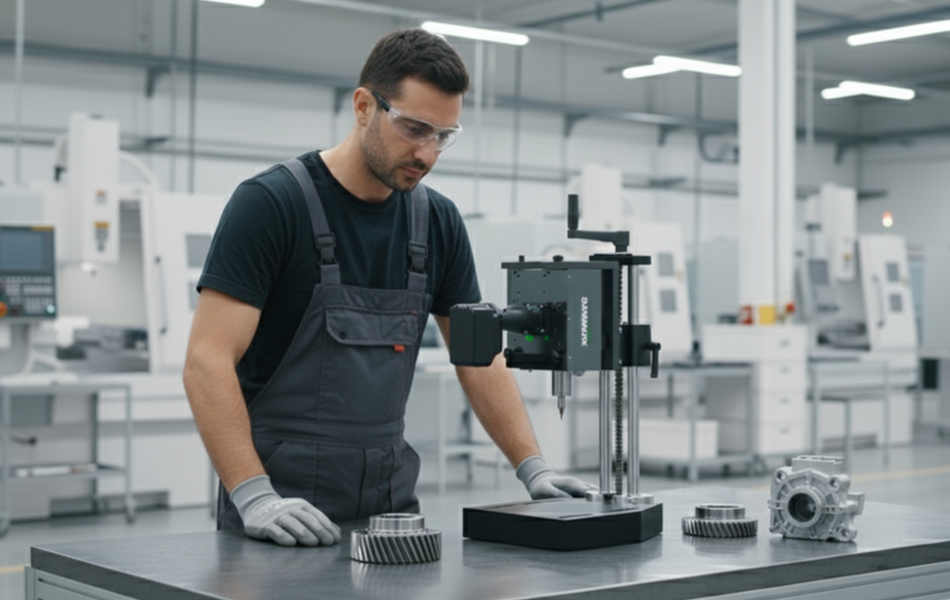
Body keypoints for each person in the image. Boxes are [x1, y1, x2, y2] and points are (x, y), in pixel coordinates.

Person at [183, 27, 593, 548]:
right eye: (414, 128)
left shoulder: (437, 221)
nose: (427, 152)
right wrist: (253, 494)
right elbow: (206, 360)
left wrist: (533, 468)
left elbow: (477, 356)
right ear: (363, 107)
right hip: (282, 510)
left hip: (390, 501)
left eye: (443, 136)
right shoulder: (271, 204)